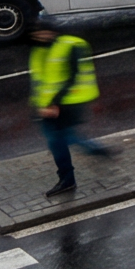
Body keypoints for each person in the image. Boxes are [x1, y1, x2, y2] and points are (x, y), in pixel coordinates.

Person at [29, 21, 110, 198]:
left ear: (52, 31)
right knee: (59, 139)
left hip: (67, 103)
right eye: (37, 34)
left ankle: (69, 177)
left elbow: (74, 76)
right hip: (47, 106)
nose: (40, 36)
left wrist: (55, 103)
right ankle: (93, 151)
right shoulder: (39, 50)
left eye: (43, 32)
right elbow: (39, 81)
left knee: (58, 139)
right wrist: (37, 106)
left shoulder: (70, 45)